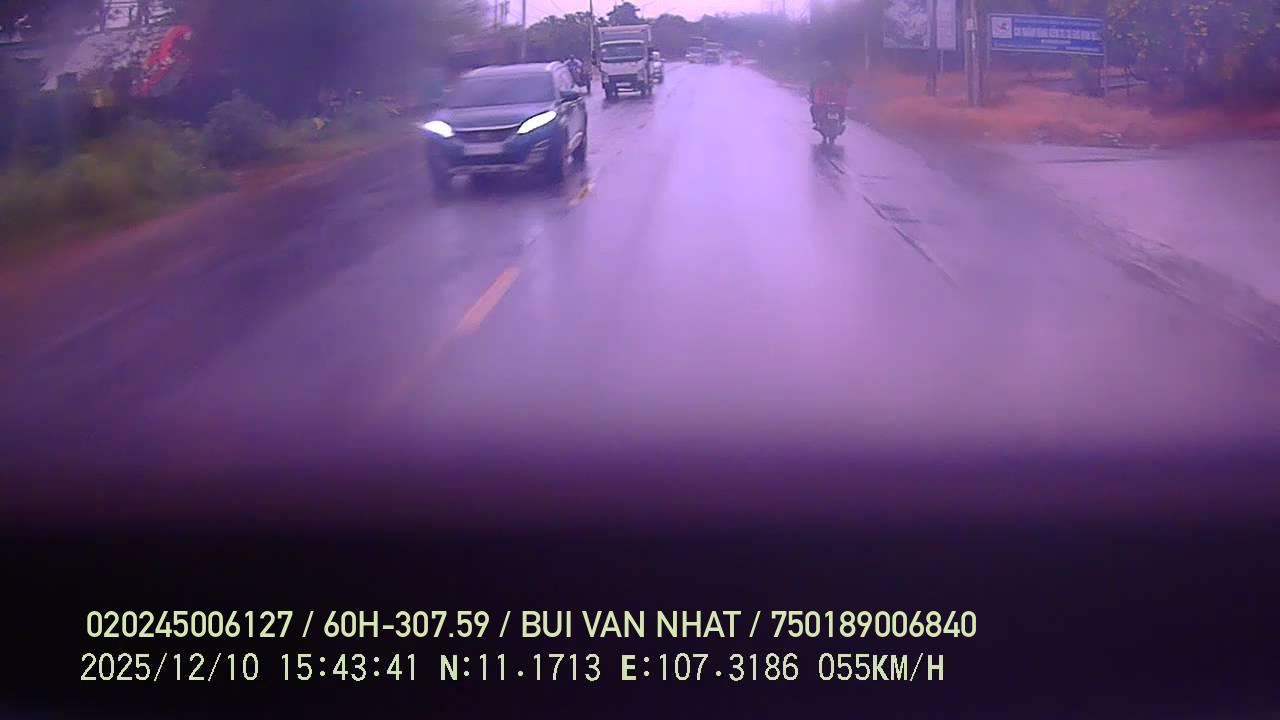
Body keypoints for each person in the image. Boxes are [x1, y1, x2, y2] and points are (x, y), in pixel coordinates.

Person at [809, 60, 851, 128]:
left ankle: (817, 122)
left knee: (813, 108)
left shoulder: (819, 76)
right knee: (841, 108)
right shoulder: (837, 74)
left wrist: (812, 98)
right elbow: (848, 82)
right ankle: (840, 122)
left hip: (825, 99)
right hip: (835, 99)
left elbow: (813, 87)